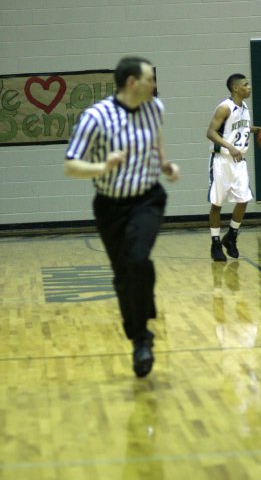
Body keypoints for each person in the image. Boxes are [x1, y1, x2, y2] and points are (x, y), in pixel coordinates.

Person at [64, 56, 180, 378]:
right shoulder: (96, 117)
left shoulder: (154, 108)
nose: (154, 85)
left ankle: (142, 337)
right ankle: (138, 331)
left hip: (148, 199)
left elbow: (156, 142)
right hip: (110, 206)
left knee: (138, 259)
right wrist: (103, 166)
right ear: (132, 82)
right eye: (149, 79)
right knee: (123, 276)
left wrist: (166, 165)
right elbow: (71, 165)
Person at [207, 73, 261, 262]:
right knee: (217, 204)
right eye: (246, 85)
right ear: (236, 88)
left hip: (239, 161)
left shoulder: (245, 107)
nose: (249, 87)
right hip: (222, 161)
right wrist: (229, 146)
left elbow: (238, 129)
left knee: (244, 199)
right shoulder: (224, 107)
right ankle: (215, 243)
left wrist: (255, 130)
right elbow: (210, 132)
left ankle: (231, 236)